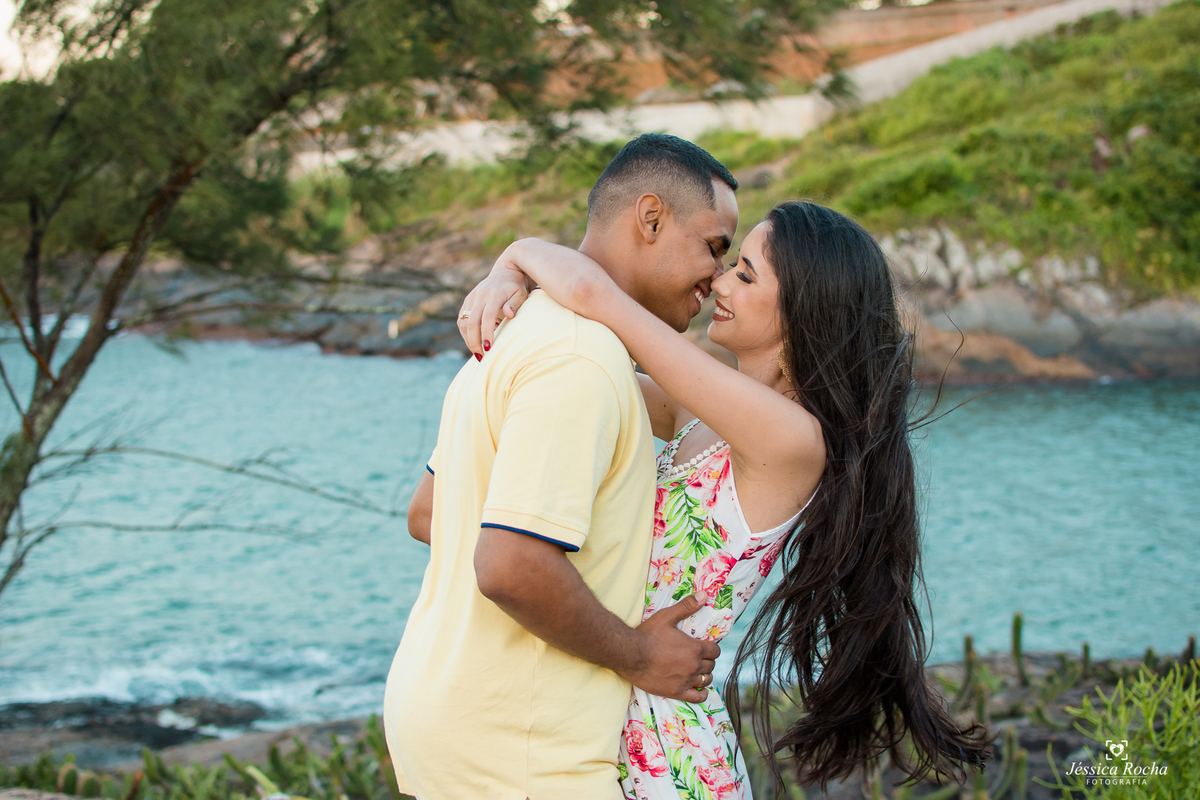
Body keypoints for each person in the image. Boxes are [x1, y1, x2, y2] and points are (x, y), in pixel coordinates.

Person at [456, 200, 990, 797]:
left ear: (803, 310)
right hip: (602, 708)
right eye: (729, 264)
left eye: (746, 273)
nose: (718, 280)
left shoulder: (791, 439)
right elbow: (564, 383)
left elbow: (594, 294)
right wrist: (509, 283)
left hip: (664, 743)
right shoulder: (695, 411)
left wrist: (514, 256)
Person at [383, 134, 741, 800]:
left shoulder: (516, 329)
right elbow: (511, 564)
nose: (718, 278)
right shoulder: (581, 359)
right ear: (651, 218)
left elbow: (430, 512)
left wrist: (517, 258)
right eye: (714, 247)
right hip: (523, 751)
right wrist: (639, 654)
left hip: (452, 718)